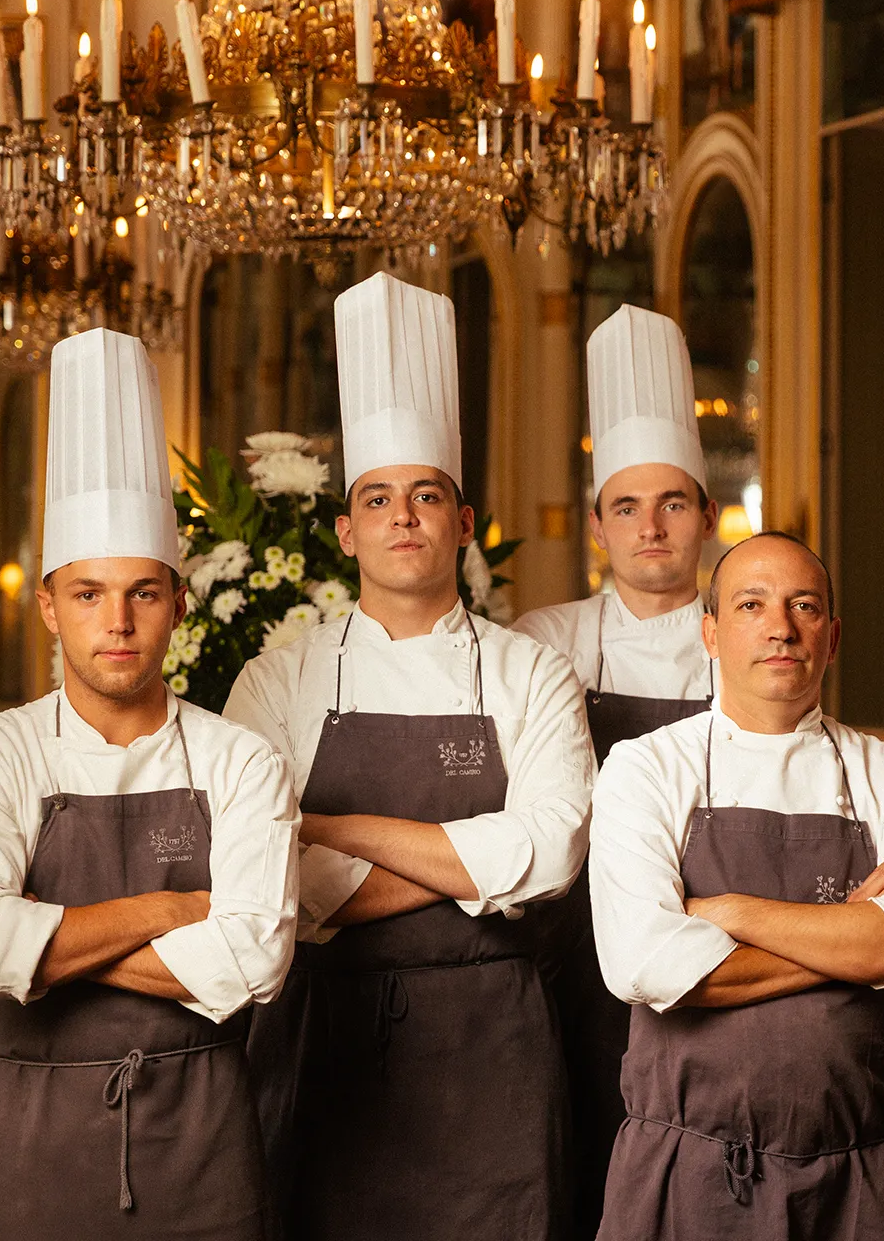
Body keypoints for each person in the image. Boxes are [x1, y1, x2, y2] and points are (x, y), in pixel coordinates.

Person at [225, 272, 593, 1241]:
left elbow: (552, 854)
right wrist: (470, 863)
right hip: (323, 1042)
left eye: (427, 495)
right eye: (379, 498)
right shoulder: (278, 678)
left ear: (463, 524)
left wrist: (331, 828)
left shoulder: (530, 671)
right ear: (346, 531)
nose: (404, 515)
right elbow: (257, 871)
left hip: (495, 1049)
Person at [0, 328, 298, 1241]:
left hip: (205, 1144)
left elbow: (254, 961)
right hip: (28, 1143)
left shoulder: (241, 760)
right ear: (48, 607)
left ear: (179, 603)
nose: (117, 621)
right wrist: (175, 909)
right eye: (88, 594)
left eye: (143, 592)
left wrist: (47, 949)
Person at [589, 531, 884, 1239]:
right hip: (690, 1166)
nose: (780, 628)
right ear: (710, 633)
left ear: (833, 636)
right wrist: (851, 928)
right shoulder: (644, 768)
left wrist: (729, 913)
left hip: (866, 1172)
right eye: (751, 604)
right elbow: (646, 963)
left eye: (804, 606)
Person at [511, 303, 718, 1239]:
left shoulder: (749, 640)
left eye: (672, 503)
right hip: (571, 960)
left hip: (711, 948)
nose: (651, 528)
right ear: (598, 526)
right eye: (627, 508)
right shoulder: (544, 643)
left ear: (706, 515)